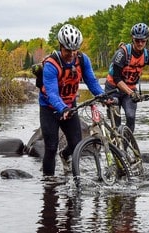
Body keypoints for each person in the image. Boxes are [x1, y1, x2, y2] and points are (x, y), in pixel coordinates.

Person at [39, 24, 105, 176]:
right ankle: (48, 184)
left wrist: (102, 96)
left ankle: (65, 155)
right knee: (51, 147)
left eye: (75, 49)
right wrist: (62, 109)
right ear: (61, 46)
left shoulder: (82, 60)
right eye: (68, 50)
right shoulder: (51, 64)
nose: (72, 53)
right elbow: (52, 93)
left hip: (70, 105)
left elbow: (91, 81)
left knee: (76, 144)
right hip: (49, 108)